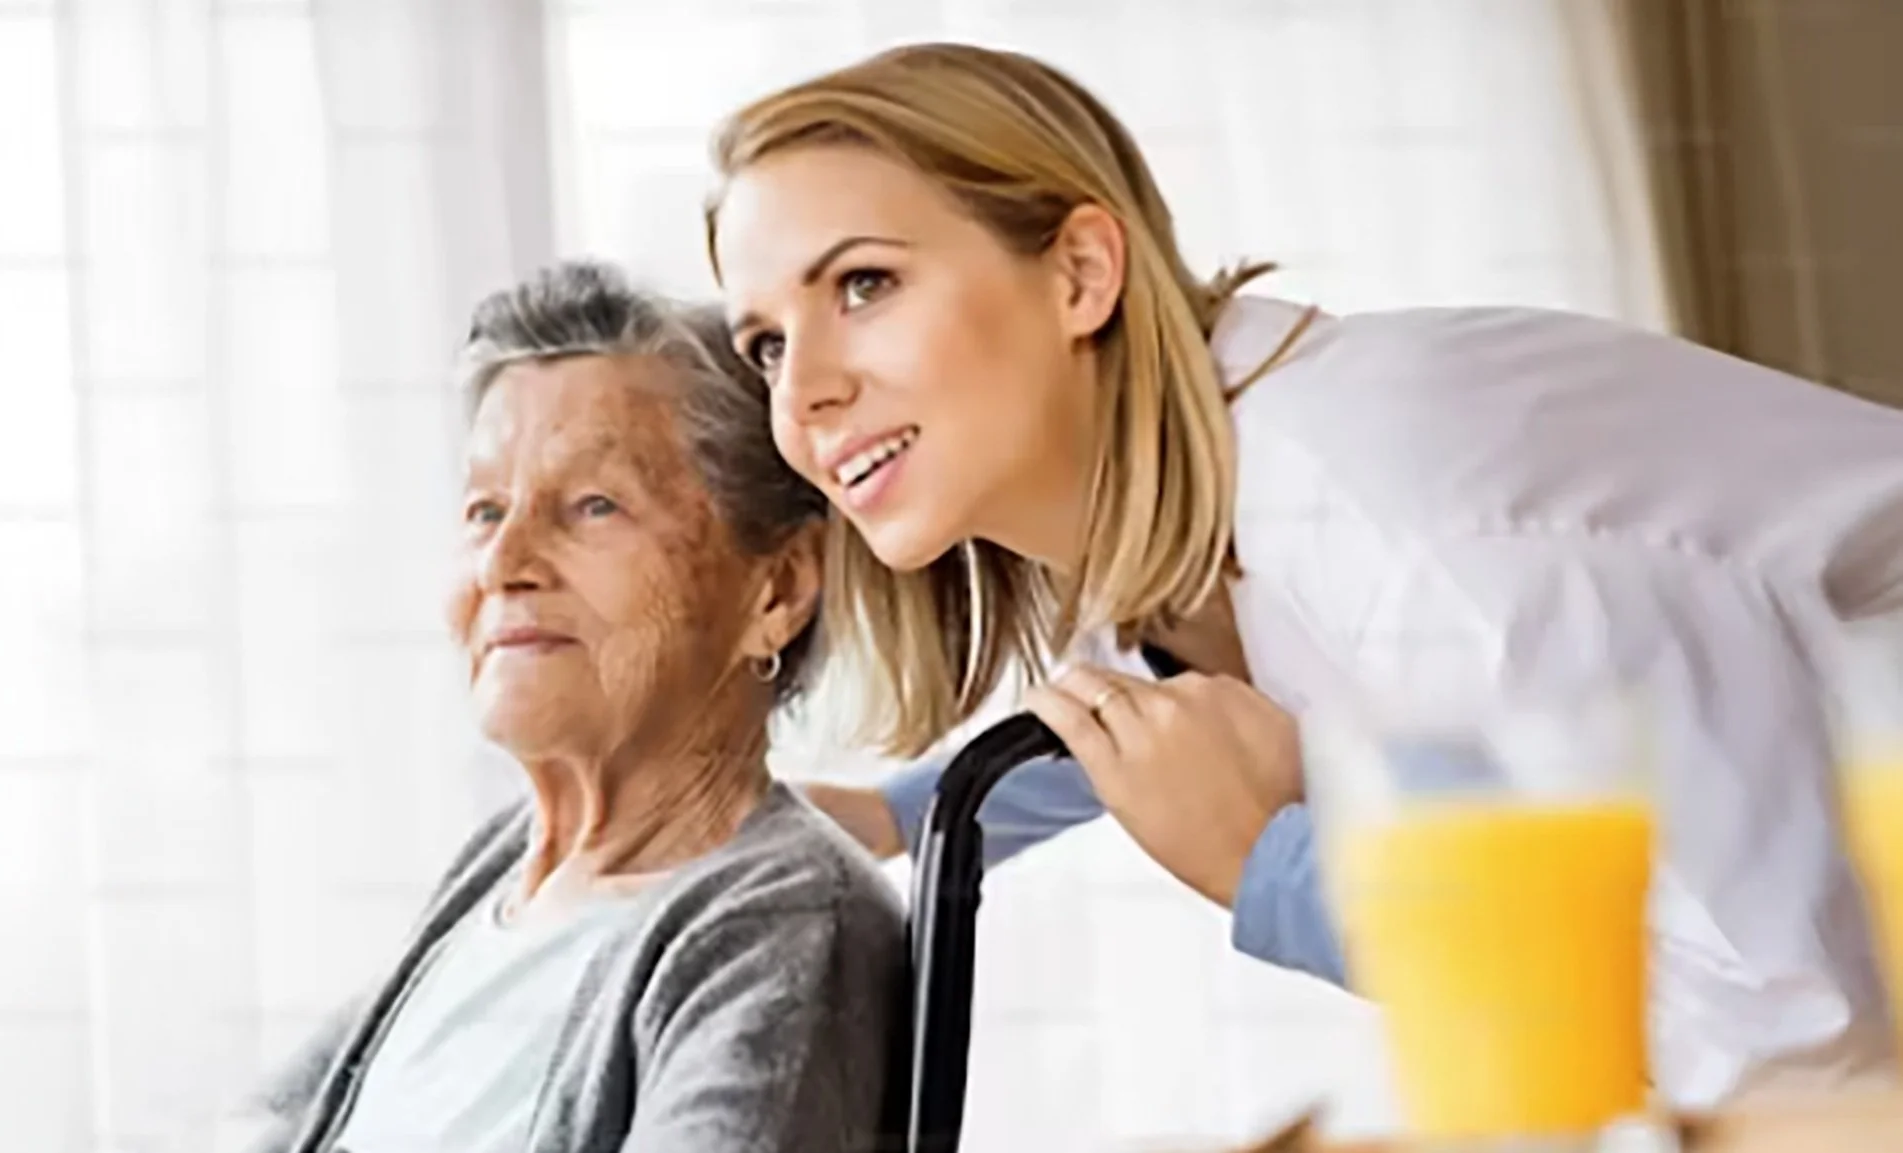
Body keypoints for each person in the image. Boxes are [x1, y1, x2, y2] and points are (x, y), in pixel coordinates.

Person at [703, 41, 1903, 1106]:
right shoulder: (1199, 518)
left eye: (863, 284)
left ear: (1079, 274)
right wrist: (888, 818)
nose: (801, 393)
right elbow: (1160, 702)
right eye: (764, 342)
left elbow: (1798, 1053)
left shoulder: (1404, 517)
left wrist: (1280, 872)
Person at [226, 261, 902, 1153]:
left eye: (592, 505)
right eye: (482, 508)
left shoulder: (781, 925)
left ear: (774, 588)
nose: (504, 561)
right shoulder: (512, 868)